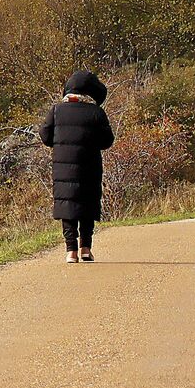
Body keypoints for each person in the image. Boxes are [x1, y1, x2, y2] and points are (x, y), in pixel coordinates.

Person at [38, 70, 114, 263]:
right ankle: (86, 248)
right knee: (88, 203)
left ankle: (71, 251)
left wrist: (61, 143)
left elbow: (45, 136)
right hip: (90, 165)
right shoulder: (96, 112)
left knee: (68, 204)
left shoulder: (56, 110)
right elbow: (107, 141)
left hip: (63, 166)